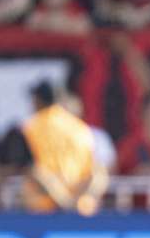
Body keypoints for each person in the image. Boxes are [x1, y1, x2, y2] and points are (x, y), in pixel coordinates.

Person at [18, 81, 107, 215]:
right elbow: (94, 171)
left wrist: (64, 202)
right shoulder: (80, 128)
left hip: (40, 209)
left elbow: (33, 170)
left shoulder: (30, 127)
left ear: (37, 101)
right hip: (80, 209)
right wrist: (73, 202)